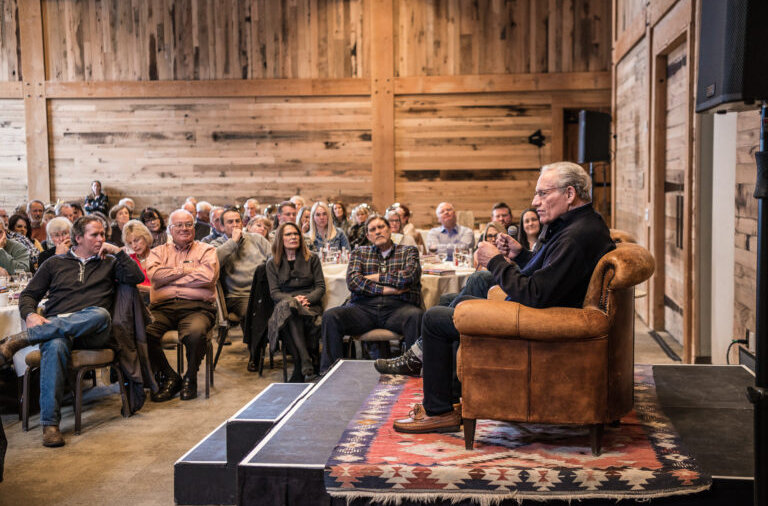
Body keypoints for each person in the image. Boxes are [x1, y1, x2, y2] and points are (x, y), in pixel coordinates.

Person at [392, 161, 616, 433]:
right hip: (544, 311)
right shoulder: (581, 224)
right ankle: (449, 396)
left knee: (434, 318)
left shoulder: (576, 236)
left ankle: (437, 410)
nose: (535, 201)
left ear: (570, 194)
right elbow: (550, 273)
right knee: (457, 298)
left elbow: (536, 293)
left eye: (543, 193)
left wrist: (496, 261)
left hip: (540, 321)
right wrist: (520, 255)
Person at [1, 215, 143, 446]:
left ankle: (22, 339)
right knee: (55, 344)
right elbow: (28, 295)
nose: (100, 239)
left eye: (102, 234)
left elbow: (136, 277)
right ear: (78, 238)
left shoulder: (109, 262)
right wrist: (31, 314)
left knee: (100, 314)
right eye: (94, 235)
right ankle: (50, 425)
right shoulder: (54, 264)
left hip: (94, 332)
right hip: (59, 330)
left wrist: (117, 251)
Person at [320, 215, 423, 372]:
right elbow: (354, 282)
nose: (378, 232)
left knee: (416, 316)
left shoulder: (408, 251)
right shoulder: (360, 252)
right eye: (372, 230)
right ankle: (329, 372)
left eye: (381, 227)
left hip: (397, 308)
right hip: (363, 309)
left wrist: (376, 277)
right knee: (330, 316)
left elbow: (409, 277)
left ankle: (414, 371)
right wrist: (387, 289)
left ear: (390, 230)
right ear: (368, 236)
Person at [145, 209, 219, 402]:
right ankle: (170, 376)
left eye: (189, 224)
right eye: (179, 225)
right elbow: (155, 276)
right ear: (170, 229)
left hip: (197, 308)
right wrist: (186, 270)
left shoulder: (207, 250)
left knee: (195, 333)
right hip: (162, 308)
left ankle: (190, 377)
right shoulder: (157, 252)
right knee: (142, 332)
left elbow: (207, 277)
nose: (185, 229)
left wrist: (169, 278)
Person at [266, 223, 326, 382]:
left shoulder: (312, 258)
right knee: (289, 310)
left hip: (309, 305)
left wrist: (305, 299)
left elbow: (320, 287)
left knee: (290, 315)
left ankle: (300, 365)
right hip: (286, 303)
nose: (293, 237)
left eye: (296, 234)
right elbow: (274, 293)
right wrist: (292, 300)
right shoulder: (272, 263)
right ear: (280, 238)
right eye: (288, 234)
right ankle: (304, 359)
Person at [212, 208, 271, 322]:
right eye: (230, 222)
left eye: (237, 221)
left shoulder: (257, 239)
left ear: (242, 223)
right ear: (222, 227)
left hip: (264, 291)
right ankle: (256, 340)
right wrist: (233, 242)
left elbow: (273, 262)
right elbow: (214, 262)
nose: (235, 225)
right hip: (238, 296)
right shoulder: (217, 244)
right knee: (255, 311)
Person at [122, 220, 153, 303]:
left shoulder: (159, 255)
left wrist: (139, 287)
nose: (134, 246)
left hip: (156, 301)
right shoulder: (129, 260)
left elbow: (165, 289)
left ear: (145, 237)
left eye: (136, 240)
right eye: (130, 243)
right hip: (135, 301)